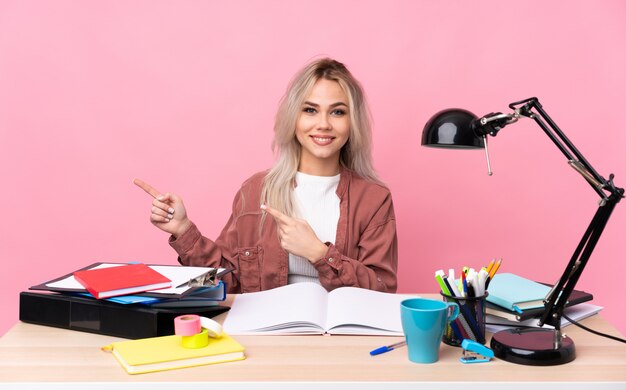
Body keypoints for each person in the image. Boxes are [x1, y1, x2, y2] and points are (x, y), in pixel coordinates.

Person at [135, 58, 398, 293]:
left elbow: (382, 290)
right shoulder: (256, 190)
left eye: (338, 112)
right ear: (293, 117)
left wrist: (319, 253)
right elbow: (226, 281)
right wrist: (183, 230)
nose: (323, 124)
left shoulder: (374, 198)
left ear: (353, 122)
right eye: (310, 110)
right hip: (270, 336)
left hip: (341, 337)